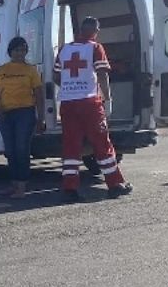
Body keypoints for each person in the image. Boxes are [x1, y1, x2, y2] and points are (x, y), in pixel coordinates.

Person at [53, 16, 132, 202]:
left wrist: (70, 86)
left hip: (68, 104)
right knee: (102, 144)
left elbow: (56, 77)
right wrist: (107, 99)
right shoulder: (95, 47)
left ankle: (69, 189)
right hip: (89, 103)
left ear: (80, 30)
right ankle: (114, 184)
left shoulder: (64, 49)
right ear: (96, 31)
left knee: (71, 146)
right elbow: (103, 75)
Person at [0, 36, 45, 199]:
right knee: (10, 150)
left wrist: (40, 118)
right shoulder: (1, 70)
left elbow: (39, 95)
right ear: (10, 52)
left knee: (22, 149)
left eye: (23, 50)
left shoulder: (31, 70)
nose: (20, 53)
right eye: (16, 50)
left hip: (25, 113)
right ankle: (13, 184)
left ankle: (22, 186)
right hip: (6, 114)